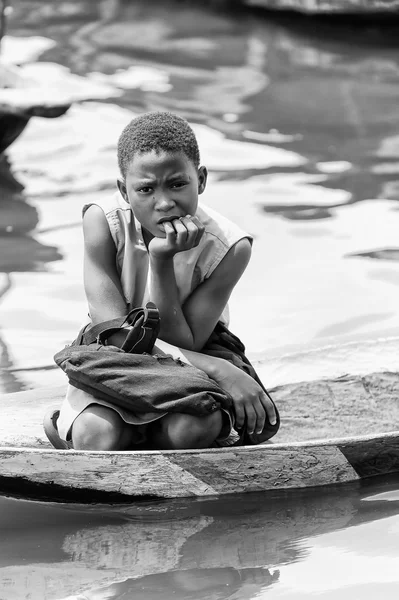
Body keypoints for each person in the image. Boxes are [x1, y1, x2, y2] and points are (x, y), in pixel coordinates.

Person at [52, 111, 278, 451]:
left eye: (177, 183)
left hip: (194, 349)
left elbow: (182, 339)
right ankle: (68, 425)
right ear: (124, 191)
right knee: (98, 435)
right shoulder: (103, 222)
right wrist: (220, 372)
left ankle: (142, 433)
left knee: (188, 430)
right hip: (115, 351)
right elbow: (115, 336)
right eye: (145, 189)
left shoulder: (230, 247)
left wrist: (162, 262)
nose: (165, 202)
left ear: (200, 180)